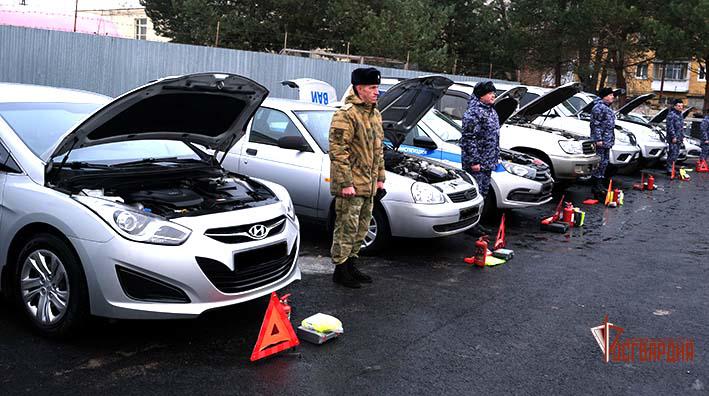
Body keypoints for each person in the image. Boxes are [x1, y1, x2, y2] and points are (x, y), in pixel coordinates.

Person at [328, 67, 385, 289]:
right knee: (346, 227)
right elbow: (338, 151)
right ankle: (340, 269)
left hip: (369, 184)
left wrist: (380, 179)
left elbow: (378, 150)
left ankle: (351, 264)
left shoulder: (374, 114)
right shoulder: (346, 114)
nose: (376, 92)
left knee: (361, 228)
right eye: (372, 88)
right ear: (359, 88)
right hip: (351, 184)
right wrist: (346, 183)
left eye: (377, 87)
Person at [460, 81, 500, 235]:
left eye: (493, 93)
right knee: (475, 195)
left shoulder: (490, 111)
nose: (493, 95)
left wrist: (495, 157)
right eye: (490, 93)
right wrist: (474, 161)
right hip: (477, 164)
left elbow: (493, 136)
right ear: (481, 95)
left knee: (483, 194)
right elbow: (468, 139)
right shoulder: (474, 112)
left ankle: (477, 223)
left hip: (487, 162)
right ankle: (470, 226)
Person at [589, 87, 616, 197]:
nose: (612, 97)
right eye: (610, 95)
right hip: (601, 141)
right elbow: (595, 124)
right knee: (599, 163)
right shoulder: (598, 108)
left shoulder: (607, 108)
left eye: (612, 95)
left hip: (607, 141)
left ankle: (600, 184)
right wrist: (598, 139)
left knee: (604, 163)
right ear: (604, 96)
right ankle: (595, 186)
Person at [665, 99, 685, 174]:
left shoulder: (680, 115)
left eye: (682, 106)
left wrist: (682, 136)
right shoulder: (671, 114)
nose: (680, 107)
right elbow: (670, 127)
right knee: (672, 153)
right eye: (679, 106)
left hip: (679, 138)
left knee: (676, 154)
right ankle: (669, 169)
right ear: (675, 106)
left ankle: (672, 167)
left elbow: (681, 127)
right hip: (673, 138)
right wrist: (673, 137)